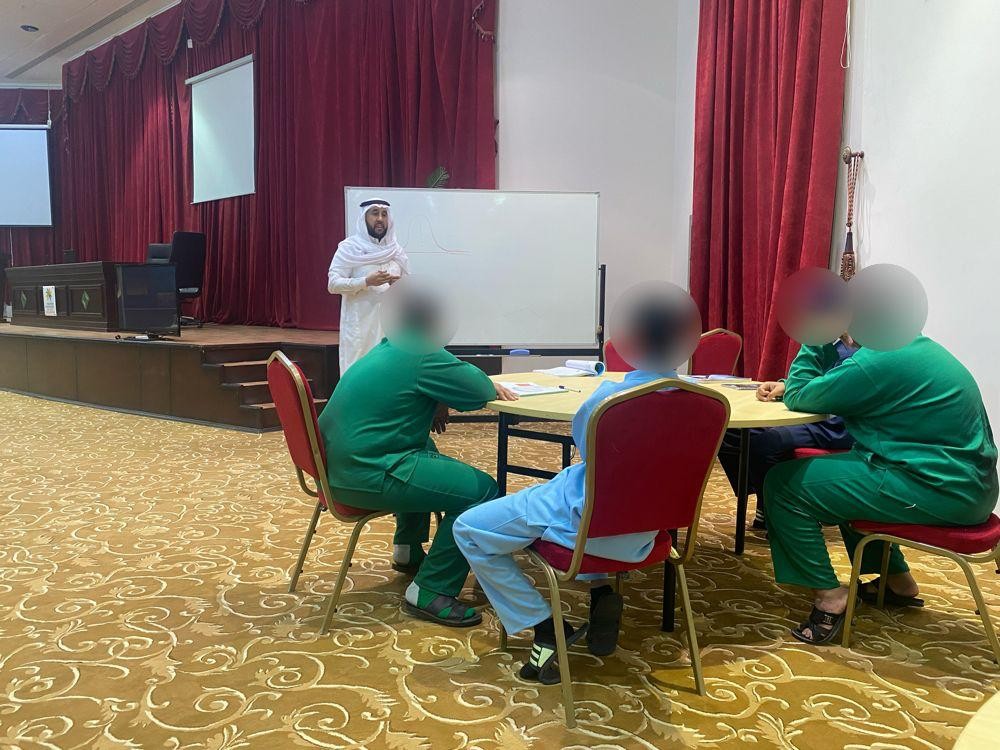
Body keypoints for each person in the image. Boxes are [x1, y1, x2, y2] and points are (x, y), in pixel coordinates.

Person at [454, 284, 702, 682]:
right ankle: (602, 591)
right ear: (685, 338)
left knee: (469, 530)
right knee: (596, 496)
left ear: (632, 338)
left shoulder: (608, 401)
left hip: (586, 529)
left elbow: (591, 453)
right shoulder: (705, 403)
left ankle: (546, 626)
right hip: (649, 533)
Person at [763, 335, 998, 644]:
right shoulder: (912, 346)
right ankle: (897, 580)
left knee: (783, 486)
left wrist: (814, 338)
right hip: (970, 487)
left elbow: (799, 394)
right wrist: (790, 382)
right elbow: (838, 380)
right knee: (840, 477)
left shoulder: (875, 361)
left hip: (938, 490)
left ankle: (830, 598)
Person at [318, 279, 518, 627]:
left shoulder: (389, 347)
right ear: (436, 320)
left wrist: (435, 395)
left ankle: (407, 549)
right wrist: (469, 385)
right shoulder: (422, 352)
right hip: (368, 472)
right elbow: (478, 390)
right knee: (483, 491)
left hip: (338, 467)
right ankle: (430, 590)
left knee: (425, 445)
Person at [717, 336, 858, 530]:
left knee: (766, 443)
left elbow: (834, 387)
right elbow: (817, 378)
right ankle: (766, 497)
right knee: (728, 432)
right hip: (817, 409)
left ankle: (779, 510)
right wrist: (786, 385)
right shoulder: (835, 341)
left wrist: (816, 340)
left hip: (841, 425)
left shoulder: (860, 346)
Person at [328, 199, 409, 376]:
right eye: (374, 213)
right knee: (359, 375)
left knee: (391, 376)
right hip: (360, 328)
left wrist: (400, 285)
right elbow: (333, 284)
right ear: (364, 218)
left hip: (392, 329)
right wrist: (366, 281)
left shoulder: (396, 251)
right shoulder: (349, 248)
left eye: (384, 214)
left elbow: (408, 288)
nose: (380, 218)